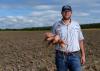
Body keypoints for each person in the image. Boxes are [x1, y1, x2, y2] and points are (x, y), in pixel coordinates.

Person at [50, 5, 85, 71]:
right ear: (61, 13)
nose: (66, 13)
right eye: (64, 11)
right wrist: (57, 40)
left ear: (71, 13)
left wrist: (83, 55)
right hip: (60, 56)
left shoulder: (76, 24)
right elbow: (51, 40)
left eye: (68, 11)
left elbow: (80, 40)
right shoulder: (56, 25)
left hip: (74, 56)